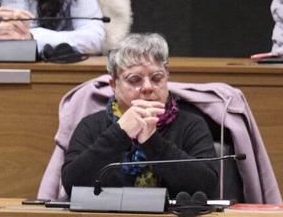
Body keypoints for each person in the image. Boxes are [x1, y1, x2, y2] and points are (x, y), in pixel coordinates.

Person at [60, 33, 231, 195]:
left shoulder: (191, 124)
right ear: (113, 84)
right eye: (135, 80)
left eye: (157, 78)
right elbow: (72, 185)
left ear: (167, 77)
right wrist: (120, 133)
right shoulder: (91, 125)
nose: (148, 87)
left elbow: (207, 187)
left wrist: (152, 142)